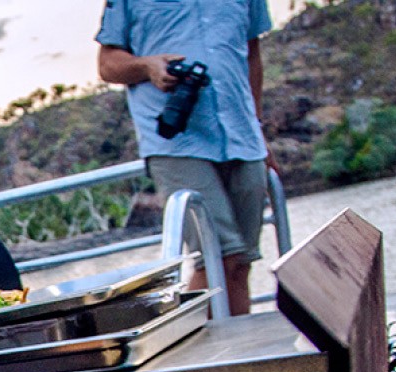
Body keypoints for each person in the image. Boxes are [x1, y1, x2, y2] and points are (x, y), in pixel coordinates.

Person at [97, 0, 274, 317]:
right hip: (175, 141)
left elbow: (252, 54)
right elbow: (107, 65)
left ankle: (233, 345)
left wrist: (258, 128)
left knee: (240, 263)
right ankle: (176, 342)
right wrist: (147, 66)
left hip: (242, 136)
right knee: (219, 257)